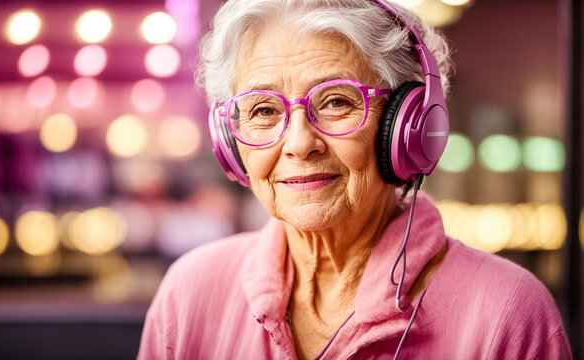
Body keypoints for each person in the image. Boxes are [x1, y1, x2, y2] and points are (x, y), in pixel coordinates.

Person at [138, 0, 572, 358]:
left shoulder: (508, 313)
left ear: (407, 126)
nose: (298, 143)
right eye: (264, 110)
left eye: (336, 102)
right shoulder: (188, 294)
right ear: (229, 141)